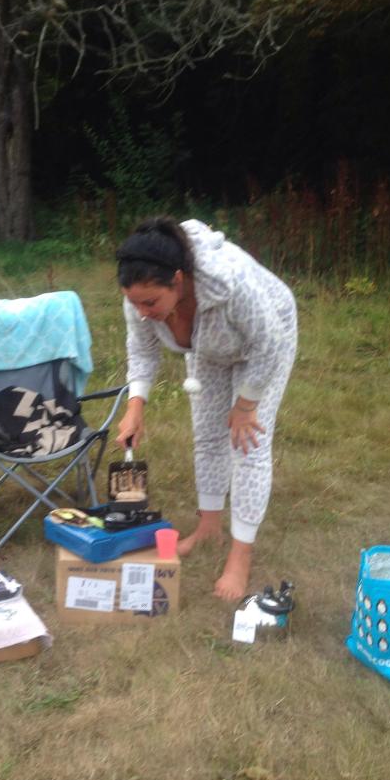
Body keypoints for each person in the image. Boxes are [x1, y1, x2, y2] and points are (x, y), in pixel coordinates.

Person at [115, 216, 297, 601]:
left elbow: (269, 344)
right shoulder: (140, 298)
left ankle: (240, 557)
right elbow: (142, 350)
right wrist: (136, 406)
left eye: (151, 302)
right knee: (208, 436)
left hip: (266, 340)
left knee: (247, 444)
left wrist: (246, 405)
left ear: (178, 281)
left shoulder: (232, 285)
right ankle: (209, 528)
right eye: (135, 302)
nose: (143, 311)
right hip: (209, 346)